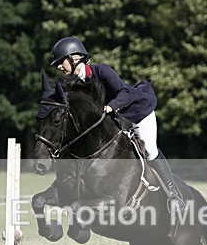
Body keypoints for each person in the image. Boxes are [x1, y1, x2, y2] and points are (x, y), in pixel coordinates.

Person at [49, 36, 186, 215]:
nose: (59, 66)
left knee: (150, 149)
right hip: (117, 120)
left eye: (61, 61)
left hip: (138, 113)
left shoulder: (102, 71)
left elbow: (125, 92)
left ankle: (174, 196)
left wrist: (110, 106)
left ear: (75, 58)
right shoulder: (76, 84)